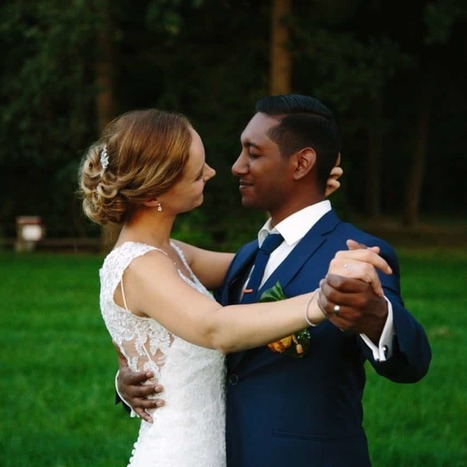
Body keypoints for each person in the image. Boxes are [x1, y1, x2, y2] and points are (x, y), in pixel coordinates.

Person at [117, 96, 432, 466]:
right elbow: (150, 271)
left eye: (253, 153)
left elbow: (411, 365)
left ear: (301, 164)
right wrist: (130, 379)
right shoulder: (247, 258)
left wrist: (378, 316)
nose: (236, 167)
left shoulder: (354, 255)